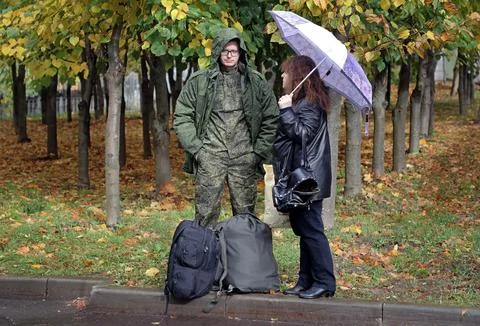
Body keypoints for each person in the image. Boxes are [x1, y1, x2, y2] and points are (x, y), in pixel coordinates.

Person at [173, 28, 278, 228]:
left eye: (234, 51)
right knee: (205, 213)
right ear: (217, 52)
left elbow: (271, 116)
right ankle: (206, 255)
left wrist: (257, 152)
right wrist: (197, 149)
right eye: (225, 50)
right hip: (211, 155)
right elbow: (182, 115)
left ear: (241, 53)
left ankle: (244, 257)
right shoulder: (200, 81)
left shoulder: (255, 82)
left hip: (244, 156)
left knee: (246, 214)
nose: (229, 55)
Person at [273, 55, 336, 299]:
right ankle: (306, 280)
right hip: (300, 176)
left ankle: (324, 282)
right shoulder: (303, 101)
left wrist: (286, 111)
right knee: (303, 229)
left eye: (286, 72)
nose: (282, 76)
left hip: (308, 179)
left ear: (297, 76)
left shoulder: (310, 103)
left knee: (312, 229)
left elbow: (303, 134)